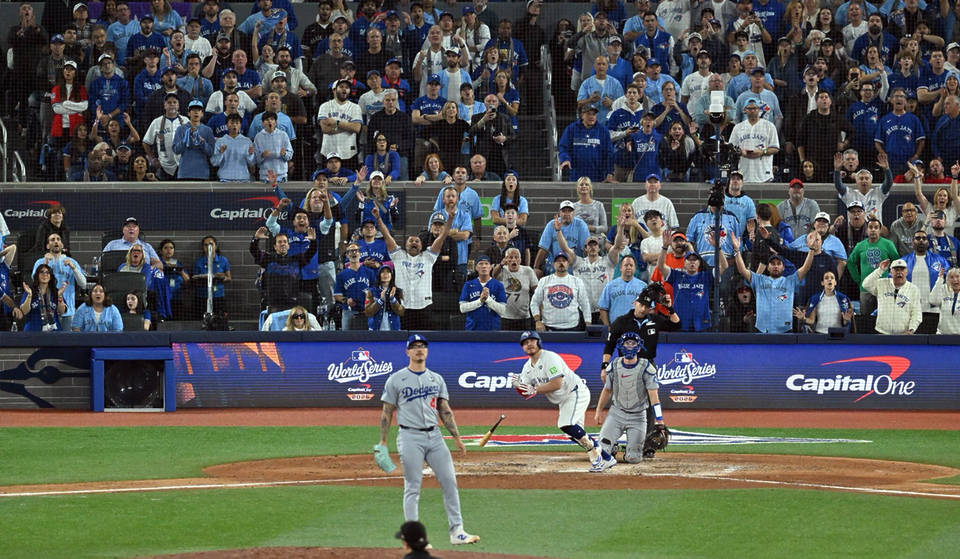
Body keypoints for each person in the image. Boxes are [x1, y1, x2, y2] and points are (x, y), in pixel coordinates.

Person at [379, 334, 480, 546]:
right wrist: (383, 442)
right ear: (407, 352)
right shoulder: (396, 379)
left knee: (450, 482)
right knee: (413, 486)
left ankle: (457, 531)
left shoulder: (436, 378)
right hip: (409, 436)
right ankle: (414, 537)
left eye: (422, 346)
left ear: (427, 351)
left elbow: (445, 410)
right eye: (414, 347)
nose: (419, 350)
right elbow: (387, 411)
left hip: (435, 436)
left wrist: (457, 438)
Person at [513, 330, 614, 472]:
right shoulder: (527, 368)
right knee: (574, 434)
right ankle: (606, 458)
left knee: (566, 424)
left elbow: (556, 384)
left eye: (532, 340)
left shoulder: (550, 358)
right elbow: (526, 393)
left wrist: (535, 389)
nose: (529, 344)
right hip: (564, 400)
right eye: (525, 343)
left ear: (538, 342)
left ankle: (599, 459)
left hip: (576, 393)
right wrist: (519, 386)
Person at [376, 207, 450, 331]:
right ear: (405, 244)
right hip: (403, 308)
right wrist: (378, 218)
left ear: (421, 246)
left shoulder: (428, 257)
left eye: (417, 241)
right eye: (411, 241)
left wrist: (451, 218)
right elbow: (386, 235)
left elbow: (442, 237)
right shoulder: (398, 256)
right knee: (402, 341)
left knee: (423, 341)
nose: (414, 242)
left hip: (424, 307)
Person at [593, 331, 662, 464]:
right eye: (627, 343)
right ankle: (612, 447)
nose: (630, 346)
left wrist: (660, 420)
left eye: (633, 343)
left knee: (634, 458)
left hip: (638, 416)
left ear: (639, 347)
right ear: (621, 345)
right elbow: (607, 390)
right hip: (616, 413)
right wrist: (598, 411)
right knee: (602, 452)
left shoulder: (646, 367)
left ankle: (629, 451)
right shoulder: (614, 365)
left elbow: (654, 397)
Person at [730, 231, 816, 333]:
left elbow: (806, 268)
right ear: (768, 267)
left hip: (785, 331)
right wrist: (737, 250)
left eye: (779, 264)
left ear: (783, 267)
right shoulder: (759, 279)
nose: (775, 266)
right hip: (762, 330)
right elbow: (742, 270)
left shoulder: (790, 280)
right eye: (772, 263)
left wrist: (811, 250)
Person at [251, 225, 318, 316]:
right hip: (273, 303)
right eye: (279, 242)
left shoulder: (297, 259)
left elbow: (311, 252)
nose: (282, 244)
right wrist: (256, 239)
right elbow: (254, 251)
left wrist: (313, 241)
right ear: (275, 246)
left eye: (285, 242)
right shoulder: (267, 259)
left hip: (293, 303)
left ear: (288, 246)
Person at [32, 233, 86, 332]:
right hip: (46, 311)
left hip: (68, 312)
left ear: (62, 245)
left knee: (67, 344)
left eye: (58, 239)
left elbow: (83, 284)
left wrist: (73, 268)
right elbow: (34, 283)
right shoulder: (40, 262)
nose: (56, 241)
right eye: (52, 240)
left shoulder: (72, 262)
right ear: (47, 246)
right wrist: (45, 264)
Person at [847, 216, 900, 317]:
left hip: (884, 288)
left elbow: (896, 263)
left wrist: (892, 280)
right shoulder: (860, 245)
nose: (873, 230)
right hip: (865, 289)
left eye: (876, 227)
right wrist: (858, 279)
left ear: (880, 230)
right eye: (870, 227)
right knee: (865, 319)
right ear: (867, 230)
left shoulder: (888, 244)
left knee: (885, 317)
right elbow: (850, 262)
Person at [901, 230, 950, 334]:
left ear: (928, 242)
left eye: (924, 238)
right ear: (912, 242)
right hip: (910, 310)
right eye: (918, 238)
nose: (921, 241)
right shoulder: (903, 261)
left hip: (933, 310)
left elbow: (949, 280)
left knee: (932, 343)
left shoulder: (940, 260)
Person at [530, 252, 592, 331]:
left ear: (568, 264)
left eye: (563, 261)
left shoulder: (577, 281)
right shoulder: (544, 281)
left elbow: (585, 304)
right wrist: (537, 321)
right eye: (558, 261)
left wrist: (588, 323)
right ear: (553, 264)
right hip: (549, 326)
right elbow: (534, 302)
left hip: (572, 327)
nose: (561, 263)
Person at [862, 259, 922, 334]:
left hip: (904, 334)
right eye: (896, 269)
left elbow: (916, 313)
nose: (899, 272)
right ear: (891, 272)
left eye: (902, 269)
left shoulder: (914, 289)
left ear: (906, 272)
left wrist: (912, 329)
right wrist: (880, 270)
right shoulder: (882, 283)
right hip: (882, 333)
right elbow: (865, 285)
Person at [558, 105, 614, 183]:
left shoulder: (603, 130)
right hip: (576, 174)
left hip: (598, 175)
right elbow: (563, 148)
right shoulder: (571, 129)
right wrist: (565, 159)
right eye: (588, 114)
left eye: (593, 114)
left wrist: (610, 172)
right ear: (582, 115)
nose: (591, 117)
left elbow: (609, 153)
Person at [730, 97, 780, 183]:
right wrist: (741, 152)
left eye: (755, 108)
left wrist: (762, 152)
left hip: (764, 174)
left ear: (759, 109)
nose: (752, 111)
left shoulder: (769, 126)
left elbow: (775, 148)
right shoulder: (738, 127)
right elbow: (731, 148)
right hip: (744, 173)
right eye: (749, 108)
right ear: (744, 110)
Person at [334, 242, 377, 330]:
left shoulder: (369, 272)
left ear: (360, 253)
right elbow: (336, 295)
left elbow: (376, 290)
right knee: (347, 338)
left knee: (367, 338)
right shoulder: (341, 275)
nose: (354, 253)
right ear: (347, 255)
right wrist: (346, 300)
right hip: (348, 311)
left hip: (367, 310)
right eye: (351, 251)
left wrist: (370, 297)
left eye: (356, 251)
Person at [459, 255, 507, 330]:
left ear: (490, 267)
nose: (484, 266)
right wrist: (480, 301)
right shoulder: (468, 285)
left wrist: (488, 299)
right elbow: (462, 308)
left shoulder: (498, 285)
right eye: (481, 264)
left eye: (486, 263)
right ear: (476, 267)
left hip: (493, 330)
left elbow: (502, 311)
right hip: (472, 329)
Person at [15, 265, 66, 333]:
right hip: (33, 331)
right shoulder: (30, 291)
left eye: (47, 272)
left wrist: (59, 296)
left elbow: (62, 311)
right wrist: (30, 295)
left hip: (54, 332)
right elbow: (24, 311)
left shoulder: (56, 292)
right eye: (41, 272)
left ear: (50, 276)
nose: (44, 274)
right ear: (37, 275)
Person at [193, 236, 231, 317]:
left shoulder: (223, 260)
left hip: (218, 296)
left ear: (215, 246)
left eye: (211, 244)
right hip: (202, 296)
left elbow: (229, 278)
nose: (208, 247)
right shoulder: (199, 261)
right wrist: (203, 277)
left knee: (219, 320)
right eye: (205, 245)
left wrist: (222, 277)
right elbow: (194, 278)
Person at [211, 113, 256, 181]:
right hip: (225, 178)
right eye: (232, 123)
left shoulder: (247, 141)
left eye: (237, 123)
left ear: (240, 125)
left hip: (243, 178)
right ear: (227, 125)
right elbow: (214, 163)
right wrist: (220, 153)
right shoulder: (220, 141)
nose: (234, 125)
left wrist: (250, 154)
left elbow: (252, 163)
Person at [254, 111, 293, 182]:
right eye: (267, 120)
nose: (270, 122)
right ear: (263, 123)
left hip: (281, 175)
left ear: (275, 122)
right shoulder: (258, 137)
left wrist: (284, 154)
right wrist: (262, 155)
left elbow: (290, 154)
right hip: (265, 176)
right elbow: (256, 159)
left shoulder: (283, 135)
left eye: (272, 119)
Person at [365, 265, 404, 331]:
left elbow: (401, 312)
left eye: (388, 272)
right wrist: (380, 300)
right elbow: (368, 312)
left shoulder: (399, 291)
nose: (385, 274)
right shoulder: (371, 291)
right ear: (379, 275)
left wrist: (393, 299)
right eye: (382, 272)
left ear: (392, 275)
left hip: (394, 328)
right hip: (375, 328)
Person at [931, 267, 960, 334]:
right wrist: (940, 279)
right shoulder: (943, 289)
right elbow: (933, 300)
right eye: (951, 277)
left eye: (957, 276)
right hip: (943, 335)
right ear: (947, 279)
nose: (955, 280)